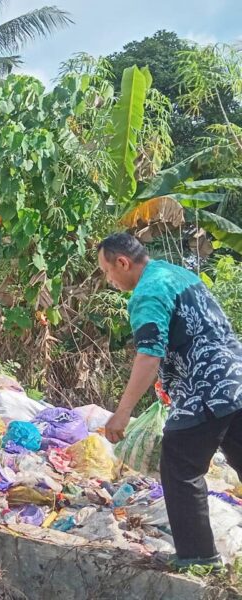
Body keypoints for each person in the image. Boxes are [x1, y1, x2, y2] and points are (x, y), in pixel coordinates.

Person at [99, 232, 242, 571]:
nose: (109, 279)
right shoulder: (177, 273)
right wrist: (167, 384)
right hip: (235, 378)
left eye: (107, 271)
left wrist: (122, 413)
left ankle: (199, 557)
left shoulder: (147, 292)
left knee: (179, 466)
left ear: (123, 262)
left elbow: (149, 353)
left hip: (205, 389)